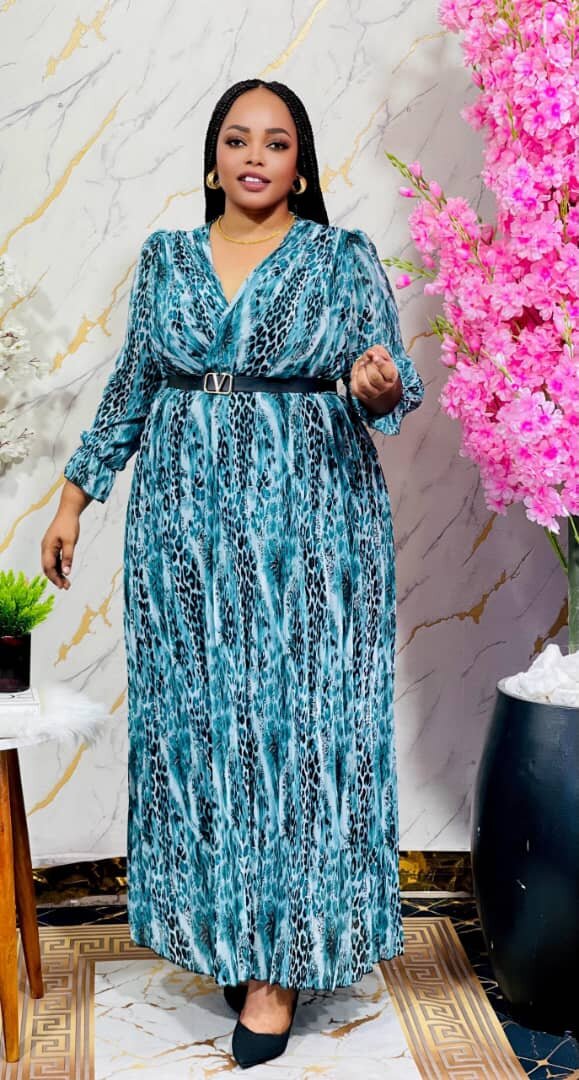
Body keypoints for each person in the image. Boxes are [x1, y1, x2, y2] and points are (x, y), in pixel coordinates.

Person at [40, 77, 424, 1070]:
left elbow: (391, 384)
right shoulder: (165, 259)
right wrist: (76, 494)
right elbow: (135, 382)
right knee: (206, 733)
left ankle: (278, 968)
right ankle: (230, 931)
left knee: (299, 735)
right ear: (213, 159)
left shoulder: (339, 257)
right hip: (185, 534)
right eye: (238, 139)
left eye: (277, 142)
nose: (256, 155)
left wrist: (376, 381)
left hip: (311, 525)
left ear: (301, 164)